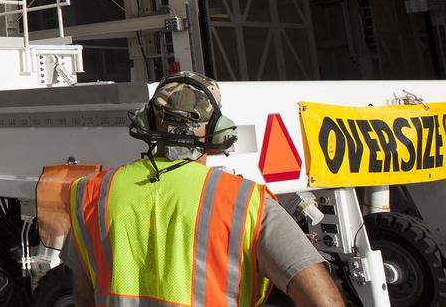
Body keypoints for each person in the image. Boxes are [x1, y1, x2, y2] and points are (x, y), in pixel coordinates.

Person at [65, 72, 343, 307]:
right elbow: (322, 300)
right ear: (217, 130)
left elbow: (83, 296)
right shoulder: (246, 204)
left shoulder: (92, 193)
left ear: (146, 122)